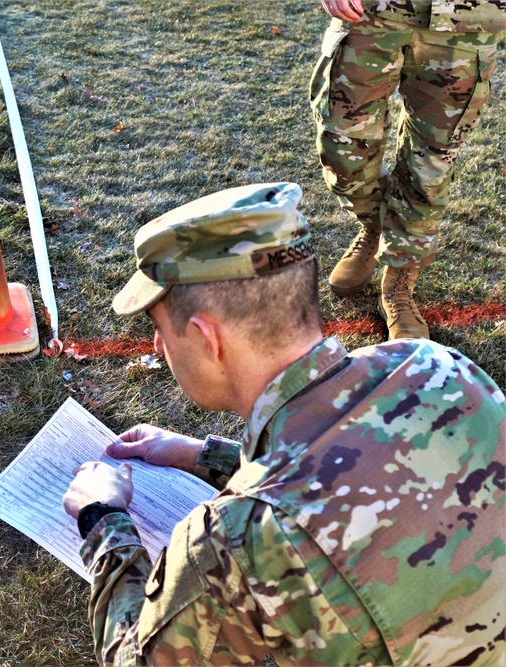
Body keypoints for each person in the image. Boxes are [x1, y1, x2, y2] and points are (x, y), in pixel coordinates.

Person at [62, 182, 505, 666]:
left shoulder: (233, 542)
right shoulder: (436, 365)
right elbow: (355, 472)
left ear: (205, 338)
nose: (156, 348)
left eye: (159, 329)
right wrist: (199, 456)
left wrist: (102, 518)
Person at [310, 0, 504, 339]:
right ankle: (375, 224)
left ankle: (399, 278)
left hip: (467, 19)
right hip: (372, 11)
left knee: (431, 162)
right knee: (343, 147)